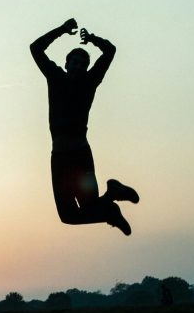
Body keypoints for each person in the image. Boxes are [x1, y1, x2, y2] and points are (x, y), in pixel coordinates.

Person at [30, 18, 139, 235]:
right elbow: (36, 48)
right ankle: (111, 203)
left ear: (87, 68)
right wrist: (61, 30)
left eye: (83, 64)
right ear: (67, 64)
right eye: (75, 62)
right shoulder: (55, 77)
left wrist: (91, 39)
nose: (78, 66)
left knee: (88, 206)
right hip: (59, 157)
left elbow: (110, 51)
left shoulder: (90, 82)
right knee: (68, 216)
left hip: (80, 155)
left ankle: (111, 203)